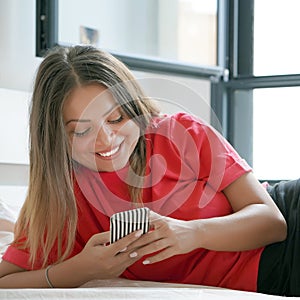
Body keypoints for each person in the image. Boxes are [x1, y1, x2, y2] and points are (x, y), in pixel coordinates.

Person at [0, 45, 298, 296]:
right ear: (54, 138)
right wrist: (81, 270)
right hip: (273, 276)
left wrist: (193, 233)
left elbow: (273, 222)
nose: (106, 140)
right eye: (81, 131)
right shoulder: (60, 198)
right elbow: (6, 280)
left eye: (116, 119)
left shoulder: (178, 132)